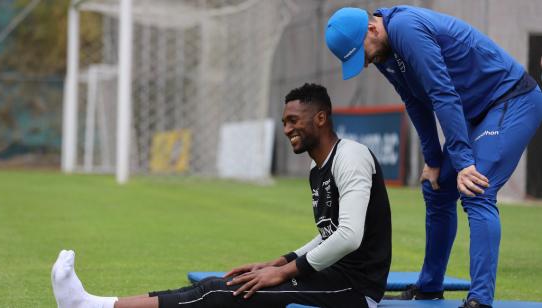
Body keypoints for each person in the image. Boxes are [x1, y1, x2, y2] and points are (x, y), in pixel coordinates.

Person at [51, 83, 392, 308]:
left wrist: (285, 272)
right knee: (219, 283)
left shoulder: (352, 157)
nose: (286, 128)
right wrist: (281, 260)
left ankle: (89, 305)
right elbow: (328, 235)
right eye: (284, 121)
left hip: (356, 290)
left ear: (320, 118)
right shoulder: (318, 168)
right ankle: (98, 304)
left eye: (293, 120)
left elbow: (348, 236)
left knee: (223, 294)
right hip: (333, 274)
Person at [324, 5, 542, 308]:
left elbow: (442, 92)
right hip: (474, 115)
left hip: (511, 101)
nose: (364, 64)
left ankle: (480, 300)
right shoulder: (383, 53)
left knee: (476, 189)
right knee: (436, 187)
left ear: (372, 30)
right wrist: (434, 161)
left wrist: (464, 163)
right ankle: (430, 287)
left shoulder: (405, 29)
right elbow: (415, 102)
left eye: (362, 55)